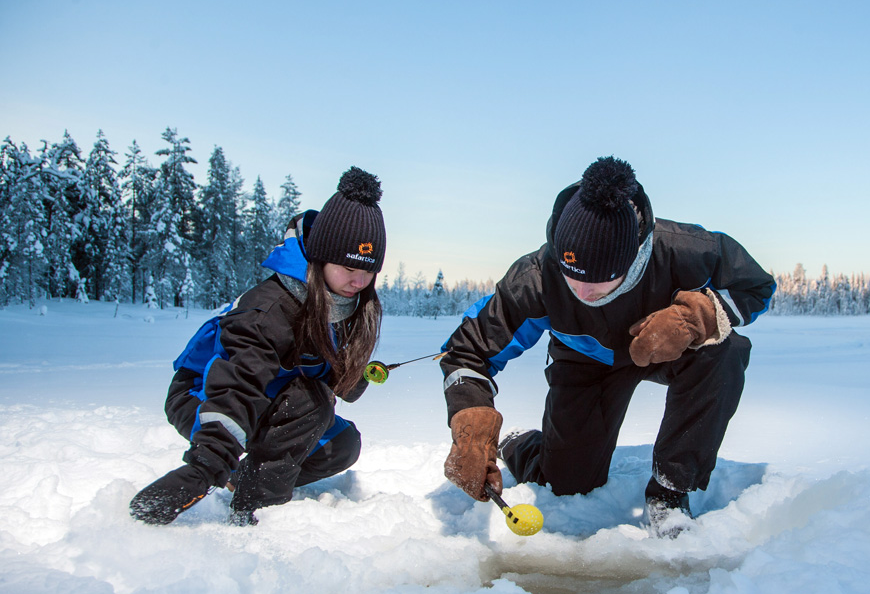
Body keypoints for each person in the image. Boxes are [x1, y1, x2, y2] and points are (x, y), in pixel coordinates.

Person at [440, 156, 774, 537]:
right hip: (586, 362)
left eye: (600, 280)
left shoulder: (685, 249)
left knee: (725, 351)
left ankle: (670, 491)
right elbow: (466, 352)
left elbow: (756, 287)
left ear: (632, 258)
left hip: (667, 349)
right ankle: (522, 445)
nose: (582, 292)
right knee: (568, 483)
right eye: (571, 275)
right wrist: (470, 422)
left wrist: (693, 318)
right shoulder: (535, 278)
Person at [130, 167, 387, 526]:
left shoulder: (340, 302)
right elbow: (238, 383)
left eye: (368, 271)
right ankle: (255, 509)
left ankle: (244, 480)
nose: (358, 281)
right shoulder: (268, 310)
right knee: (310, 401)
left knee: (341, 445)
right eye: (348, 268)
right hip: (207, 397)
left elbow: (315, 367)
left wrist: (352, 373)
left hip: (272, 397)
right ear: (320, 257)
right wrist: (207, 465)